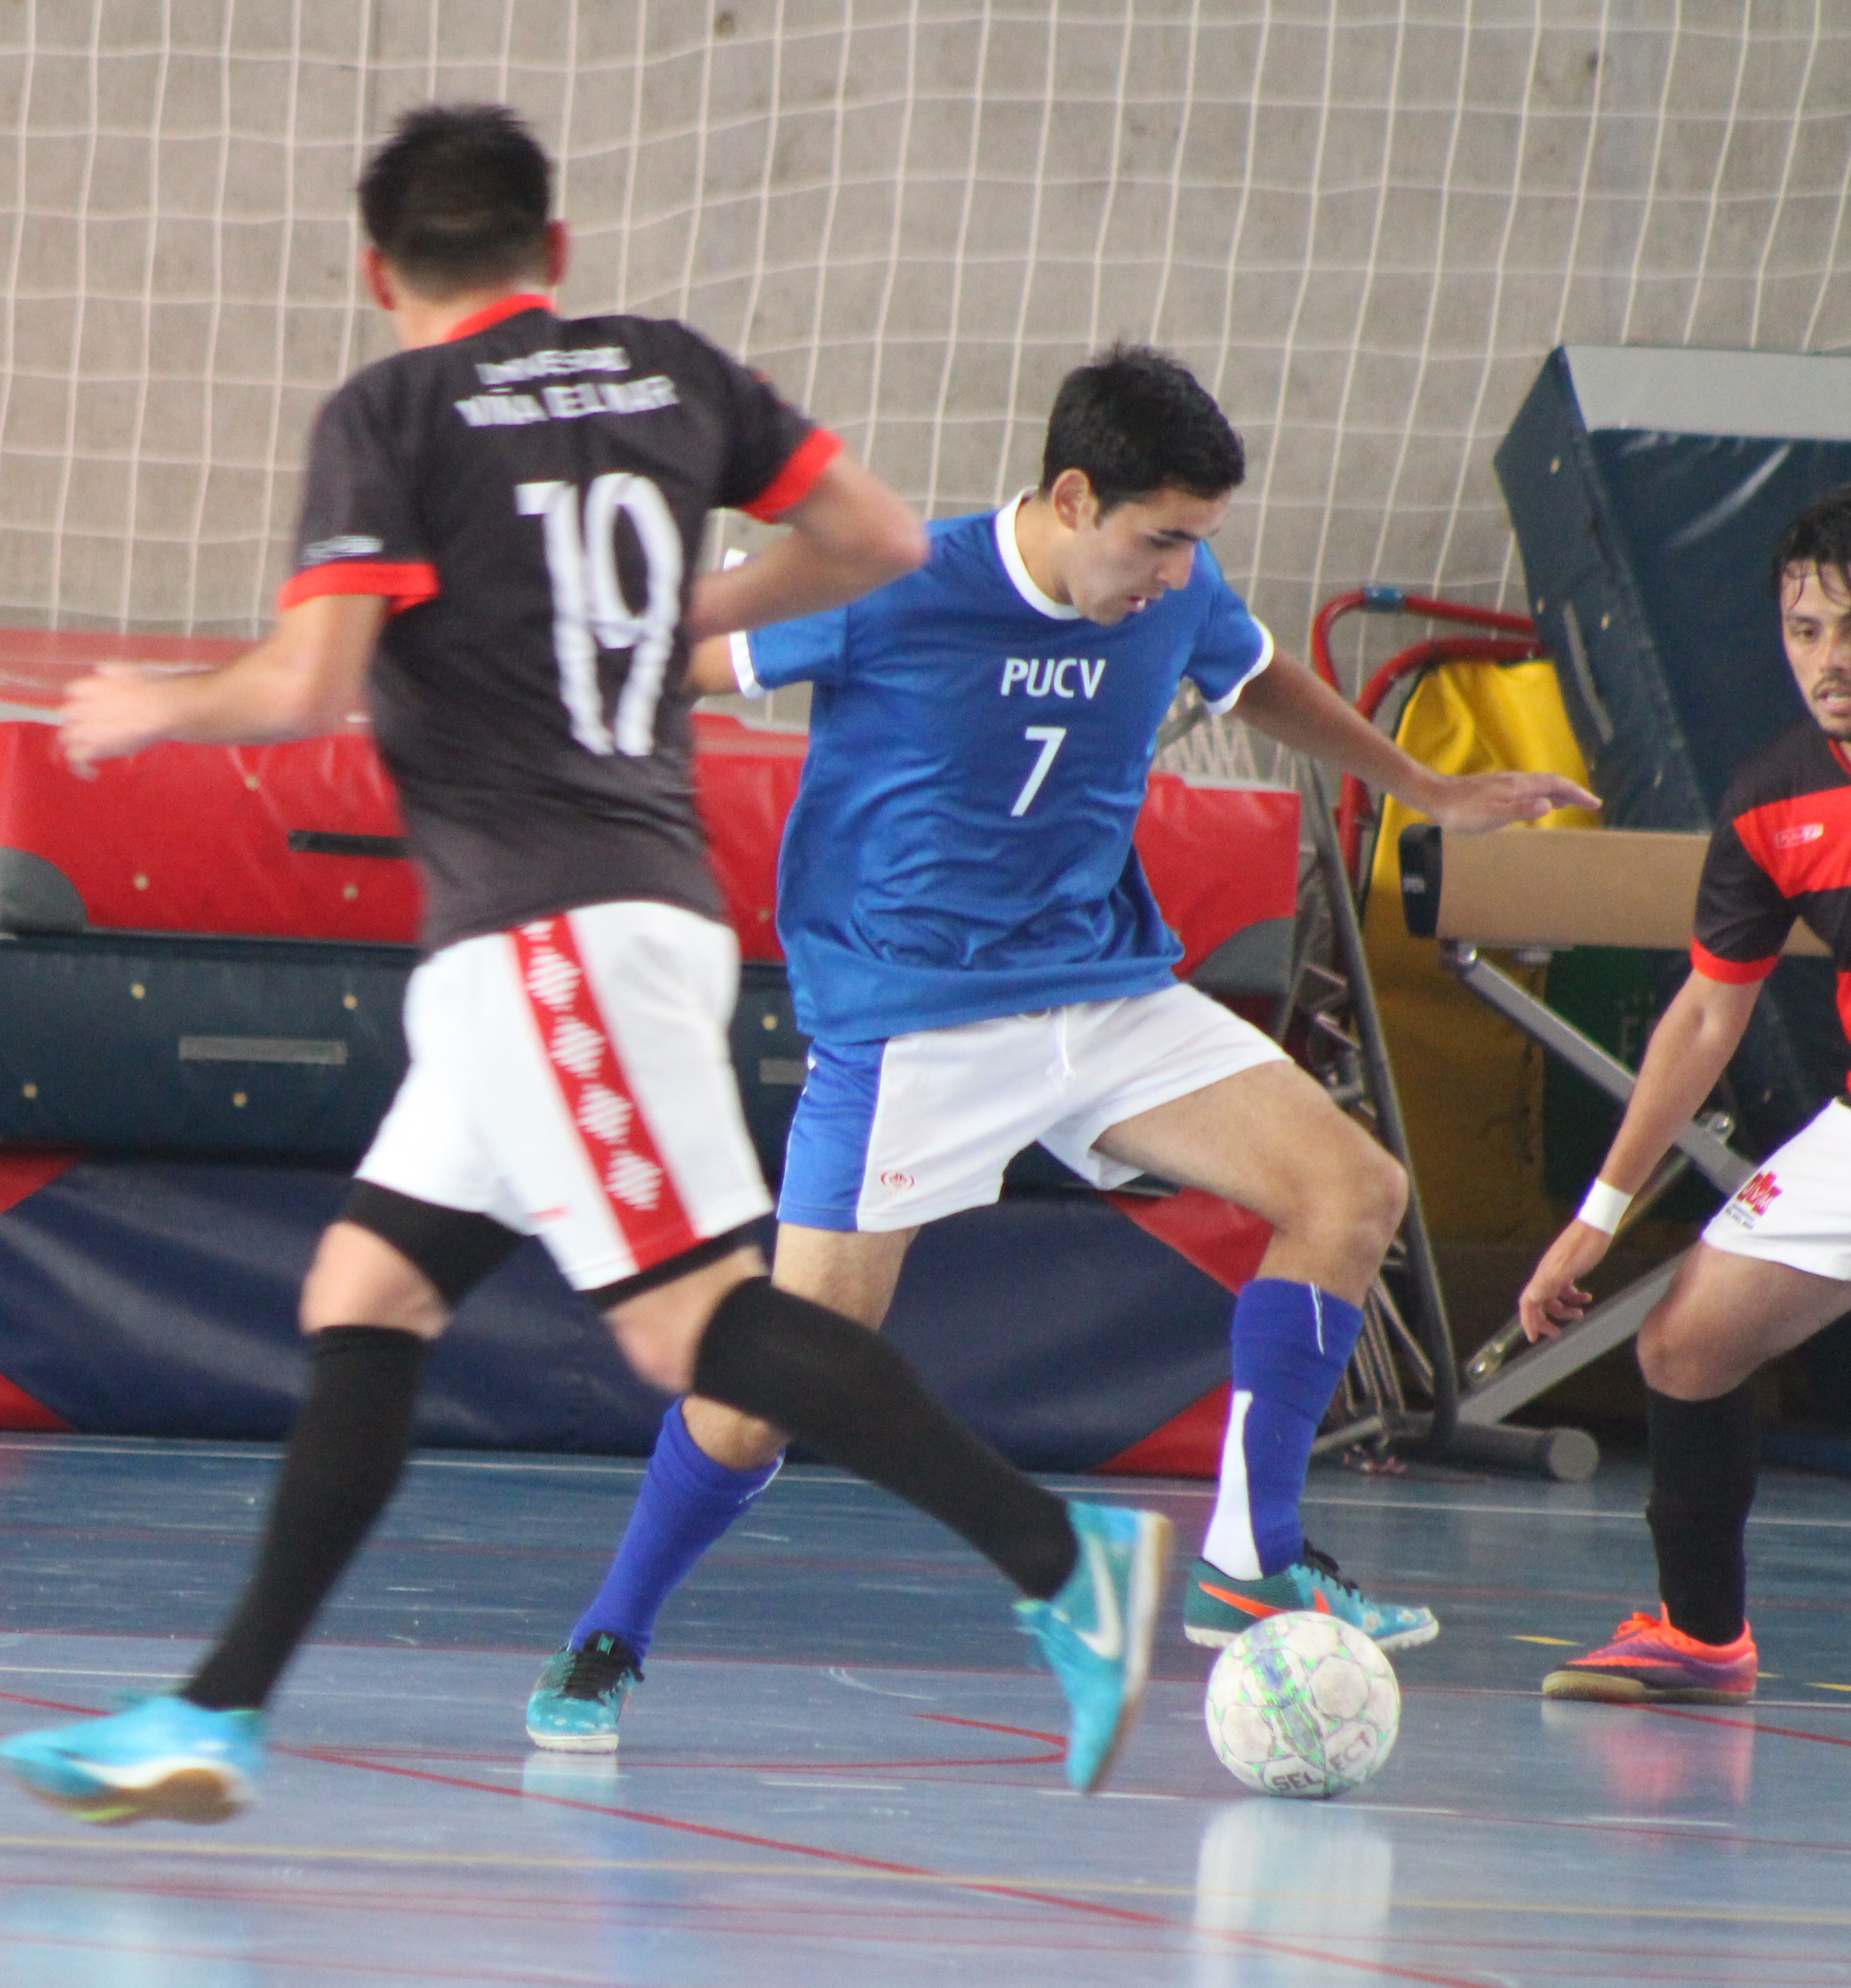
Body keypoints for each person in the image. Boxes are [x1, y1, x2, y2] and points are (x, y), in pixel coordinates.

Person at [0, 103, 1174, 1827]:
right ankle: (217, 1714)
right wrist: (685, 613)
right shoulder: (667, 370)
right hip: (591, 926)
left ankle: (1064, 1561)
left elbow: (313, 680)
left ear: (375, 270)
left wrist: (156, 706)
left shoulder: (392, 412)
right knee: (365, 1296)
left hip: (552, 938)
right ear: (551, 252)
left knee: (696, 1330)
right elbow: (878, 538)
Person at [520, 346, 1597, 1753]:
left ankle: (1250, 1559)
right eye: (1158, 541)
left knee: (1352, 1190)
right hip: (910, 1020)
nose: (1177, 574)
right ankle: (611, 1633)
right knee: (771, 1390)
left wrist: (1425, 788)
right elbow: (679, 666)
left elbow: (1254, 672)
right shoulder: (895, 582)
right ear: (1075, 497)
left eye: (1198, 544)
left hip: (1099, 989)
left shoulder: (1178, 591)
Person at [1519, 483, 1851, 1707]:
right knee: (1687, 1342)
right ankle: (1703, 1637)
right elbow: (1708, 1016)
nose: (1831, 660)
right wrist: (1597, 1216)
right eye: (1807, 629)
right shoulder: (1775, 799)